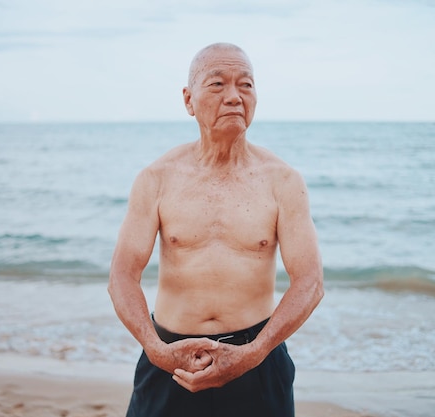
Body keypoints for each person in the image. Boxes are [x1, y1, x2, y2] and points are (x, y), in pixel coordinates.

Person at [108, 42, 324, 417]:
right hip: (169, 362)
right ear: (188, 100)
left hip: (257, 362)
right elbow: (122, 276)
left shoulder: (283, 181)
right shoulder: (156, 179)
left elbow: (310, 282)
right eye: (218, 84)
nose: (234, 97)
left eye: (246, 85)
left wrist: (253, 353)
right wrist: (155, 349)